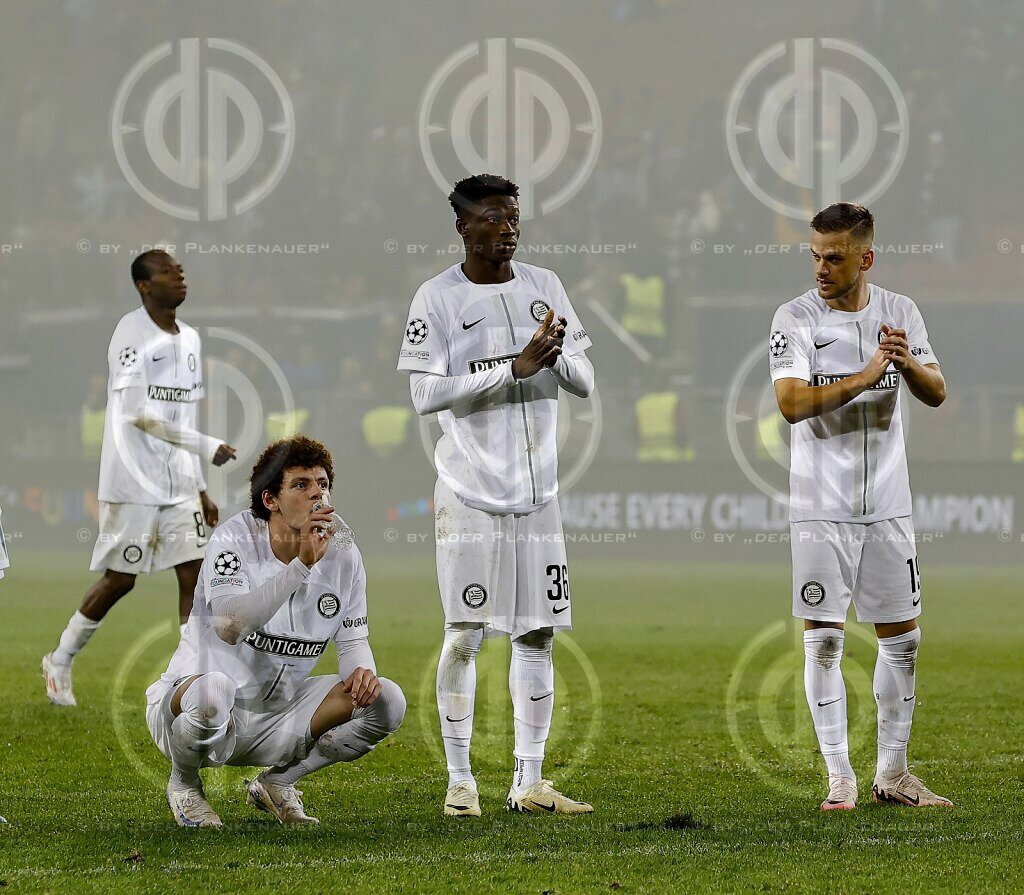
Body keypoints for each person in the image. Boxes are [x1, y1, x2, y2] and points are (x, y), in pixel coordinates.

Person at [397, 174, 595, 816]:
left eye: (514, 217)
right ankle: (460, 782)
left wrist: (554, 355)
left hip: (540, 497)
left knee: (537, 634)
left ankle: (529, 781)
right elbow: (425, 395)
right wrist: (511, 367)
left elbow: (585, 380)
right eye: (493, 218)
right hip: (469, 493)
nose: (508, 227)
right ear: (463, 226)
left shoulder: (545, 287)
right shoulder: (436, 298)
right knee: (464, 636)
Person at [769, 203, 952, 811]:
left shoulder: (901, 312)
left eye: (835, 257)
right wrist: (869, 372)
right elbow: (792, 403)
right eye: (816, 255)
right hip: (821, 507)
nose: (822, 267)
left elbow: (936, 390)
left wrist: (904, 364)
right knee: (823, 641)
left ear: (865, 258)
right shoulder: (793, 317)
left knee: (903, 641)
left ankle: (893, 774)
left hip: (889, 506)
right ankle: (839, 775)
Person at [145, 435, 406, 827]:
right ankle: (184, 785)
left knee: (388, 699)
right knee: (215, 691)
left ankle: (279, 781)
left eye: (322, 483)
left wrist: (361, 673)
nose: (317, 494)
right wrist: (299, 567)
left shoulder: (344, 551)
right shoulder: (234, 540)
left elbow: (353, 638)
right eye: (301, 485)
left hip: (281, 713)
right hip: (202, 707)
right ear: (271, 500)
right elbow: (230, 627)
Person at [42, 250, 237, 707]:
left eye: (181, 271)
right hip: (132, 482)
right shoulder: (130, 334)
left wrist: (201, 484)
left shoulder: (190, 339)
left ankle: (192, 675)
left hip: (179, 485)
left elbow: (182, 411)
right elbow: (134, 412)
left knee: (194, 574)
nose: (180, 278)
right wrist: (206, 445)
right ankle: (61, 658)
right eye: (169, 272)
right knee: (120, 579)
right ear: (144, 286)